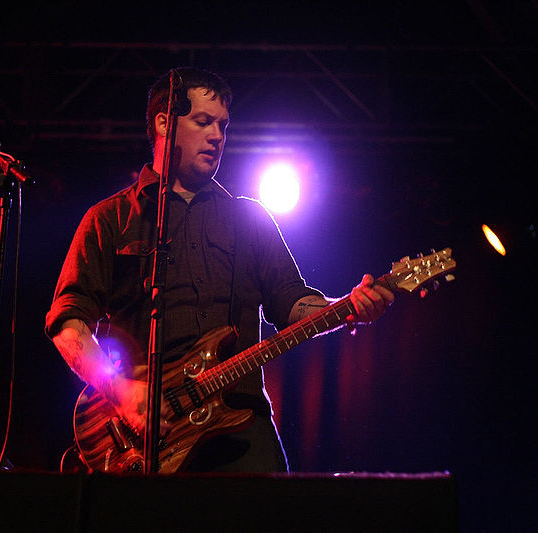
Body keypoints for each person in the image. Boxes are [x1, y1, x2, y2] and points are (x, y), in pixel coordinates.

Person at [45, 67, 394, 473]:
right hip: (141, 435)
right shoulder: (110, 218)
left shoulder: (249, 218)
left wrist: (348, 305)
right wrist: (120, 392)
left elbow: (293, 305)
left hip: (240, 423)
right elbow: (67, 323)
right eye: (203, 121)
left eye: (223, 126)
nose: (217, 136)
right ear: (164, 123)